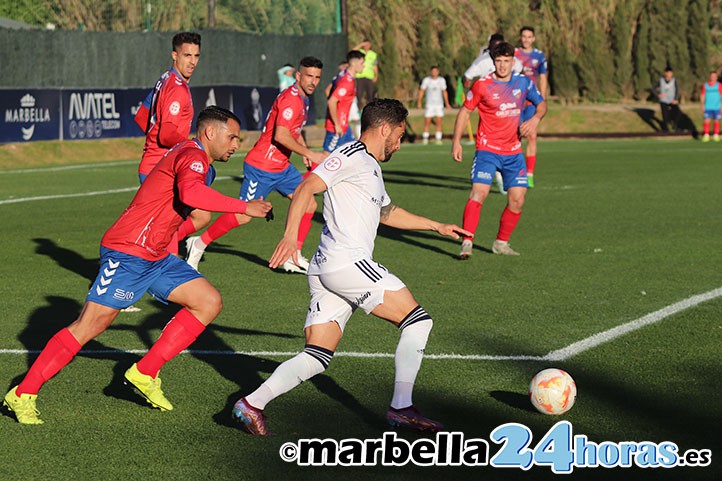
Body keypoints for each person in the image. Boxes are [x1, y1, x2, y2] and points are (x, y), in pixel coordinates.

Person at [2, 107, 273, 425]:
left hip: (155, 256)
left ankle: (144, 373)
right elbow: (190, 192)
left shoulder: (202, 165)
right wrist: (244, 206)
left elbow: (183, 207)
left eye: (238, 139)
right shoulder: (194, 156)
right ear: (210, 132)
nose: (236, 144)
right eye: (232, 137)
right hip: (128, 252)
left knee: (207, 301)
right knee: (91, 325)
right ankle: (22, 393)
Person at [231, 99, 471, 435]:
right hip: (347, 262)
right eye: (399, 136)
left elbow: (388, 213)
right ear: (385, 129)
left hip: (328, 267)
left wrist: (437, 226)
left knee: (316, 356)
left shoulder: (369, 166)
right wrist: (289, 238)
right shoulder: (350, 155)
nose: (399, 145)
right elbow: (306, 187)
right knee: (418, 322)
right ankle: (402, 408)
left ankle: (252, 403)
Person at [185, 57, 327, 274]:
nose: (313, 81)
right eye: (309, 76)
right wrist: (309, 153)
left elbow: (292, 131)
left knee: (308, 204)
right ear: (298, 76)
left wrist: (304, 150)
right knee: (243, 215)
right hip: (261, 167)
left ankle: (292, 256)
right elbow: (281, 135)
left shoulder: (303, 98)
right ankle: (197, 244)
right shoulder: (292, 100)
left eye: (317, 77)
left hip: (282, 167)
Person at [452, 42, 547, 259]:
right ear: (493, 62)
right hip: (487, 150)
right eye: (499, 61)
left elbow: (542, 105)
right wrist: (456, 141)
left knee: (517, 199)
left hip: (514, 153)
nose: (502, 65)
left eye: (506, 61)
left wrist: (535, 119)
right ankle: (467, 242)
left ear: (513, 62)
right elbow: (465, 112)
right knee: (479, 193)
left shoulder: (523, 83)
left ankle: (501, 243)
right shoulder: (482, 85)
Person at [134, 32, 211, 255]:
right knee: (168, 246)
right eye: (187, 55)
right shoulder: (177, 89)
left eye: (196, 55)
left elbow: (141, 116)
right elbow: (166, 136)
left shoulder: (166, 78)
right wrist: (192, 147)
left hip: (157, 165)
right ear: (174, 55)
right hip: (160, 170)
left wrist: (152, 142)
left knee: (200, 215)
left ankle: (153, 251)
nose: (193, 61)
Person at [463, 33, 523, 194]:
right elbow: (467, 77)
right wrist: (470, 90)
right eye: (493, 47)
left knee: (511, 139)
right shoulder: (482, 62)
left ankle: (505, 174)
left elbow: (519, 73)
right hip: (489, 108)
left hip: (509, 108)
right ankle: (497, 175)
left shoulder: (510, 61)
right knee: (492, 142)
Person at [514, 26, 548, 188]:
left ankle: (529, 175)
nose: (526, 39)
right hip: (515, 101)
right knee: (514, 137)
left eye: (529, 37)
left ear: (533, 38)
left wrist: (543, 99)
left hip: (531, 101)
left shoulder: (539, 56)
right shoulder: (514, 55)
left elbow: (542, 78)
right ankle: (514, 172)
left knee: (532, 135)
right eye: (524, 36)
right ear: (520, 38)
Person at [324, 50, 365, 154]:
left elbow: (328, 90)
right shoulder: (347, 82)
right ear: (353, 63)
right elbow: (332, 101)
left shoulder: (342, 75)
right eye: (361, 63)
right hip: (337, 127)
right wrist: (336, 124)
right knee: (325, 158)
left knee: (355, 154)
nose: (363, 66)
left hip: (344, 126)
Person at [417, 65, 452, 145]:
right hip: (429, 104)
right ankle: (425, 138)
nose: (434, 73)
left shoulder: (441, 80)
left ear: (438, 72)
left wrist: (447, 103)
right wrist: (419, 102)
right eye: (433, 71)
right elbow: (422, 91)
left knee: (438, 121)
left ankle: (438, 138)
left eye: (436, 71)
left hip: (439, 105)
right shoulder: (426, 80)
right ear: (431, 72)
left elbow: (444, 92)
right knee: (427, 121)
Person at [353, 40, 378, 109]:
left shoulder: (373, 54)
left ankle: (370, 110)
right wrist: (361, 44)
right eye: (365, 44)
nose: (367, 46)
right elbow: (353, 51)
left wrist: (376, 75)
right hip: (360, 76)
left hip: (369, 77)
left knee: (370, 95)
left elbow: (375, 66)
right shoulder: (360, 52)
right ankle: (358, 111)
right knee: (359, 94)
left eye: (368, 44)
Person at [656, 67, 681, 133]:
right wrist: (657, 94)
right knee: (665, 115)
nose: (669, 75)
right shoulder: (661, 80)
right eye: (668, 73)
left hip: (672, 100)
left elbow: (677, 90)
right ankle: (665, 129)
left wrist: (675, 99)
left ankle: (675, 126)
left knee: (678, 112)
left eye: (671, 73)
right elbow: (653, 87)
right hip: (664, 100)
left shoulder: (674, 80)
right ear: (665, 73)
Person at [700, 70, 722, 142]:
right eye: (712, 76)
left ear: (716, 77)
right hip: (708, 107)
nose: (713, 78)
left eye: (714, 76)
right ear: (710, 77)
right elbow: (702, 95)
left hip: (717, 107)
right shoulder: (705, 85)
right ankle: (706, 135)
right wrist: (702, 104)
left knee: (716, 121)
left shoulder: (719, 85)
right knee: (707, 120)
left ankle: (716, 135)